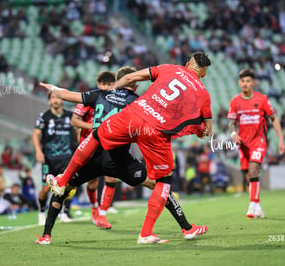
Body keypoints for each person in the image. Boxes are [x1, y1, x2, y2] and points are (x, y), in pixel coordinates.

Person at [45, 52, 213, 244]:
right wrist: (200, 130)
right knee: (163, 182)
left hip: (133, 117)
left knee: (96, 134)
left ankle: (62, 185)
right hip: (155, 133)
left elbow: (130, 77)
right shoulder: (203, 94)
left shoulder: (169, 68)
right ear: (204, 74)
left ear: (186, 63)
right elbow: (206, 129)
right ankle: (148, 233)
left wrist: (112, 92)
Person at [228, 69, 285, 219]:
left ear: (253, 83)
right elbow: (232, 123)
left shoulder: (262, 99)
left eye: (248, 81)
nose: (245, 84)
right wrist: (233, 133)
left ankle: (252, 205)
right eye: (243, 81)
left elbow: (274, 118)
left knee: (253, 171)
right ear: (239, 83)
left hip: (258, 141)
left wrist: (281, 139)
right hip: (243, 144)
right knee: (248, 175)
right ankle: (257, 205)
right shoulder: (235, 102)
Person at [71, 71, 117, 228]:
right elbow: (74, 121)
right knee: (92, 183)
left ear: (115, 85)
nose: (106, 87)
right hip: (89, 143)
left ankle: (103, 215)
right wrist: (94, 127)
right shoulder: (90, 98)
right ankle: (94, 208)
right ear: (98, 85)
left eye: (110, 84)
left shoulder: (118, 100)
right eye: (104, 84)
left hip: (109, 144)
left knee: (111, 178)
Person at [32, 91, 78, 225]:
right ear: (49, 101)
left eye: (58, 97)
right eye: (53, 98)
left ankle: (64, 212)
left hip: (66, 157)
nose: (55, 100)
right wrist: (38, 151)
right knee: (45, 189)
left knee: (67, 185)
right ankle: (41, 211)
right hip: (49, 158)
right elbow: (35, 134)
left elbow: (77, 131)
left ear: (62, 100)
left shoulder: (70, 116)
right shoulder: (44, 116)